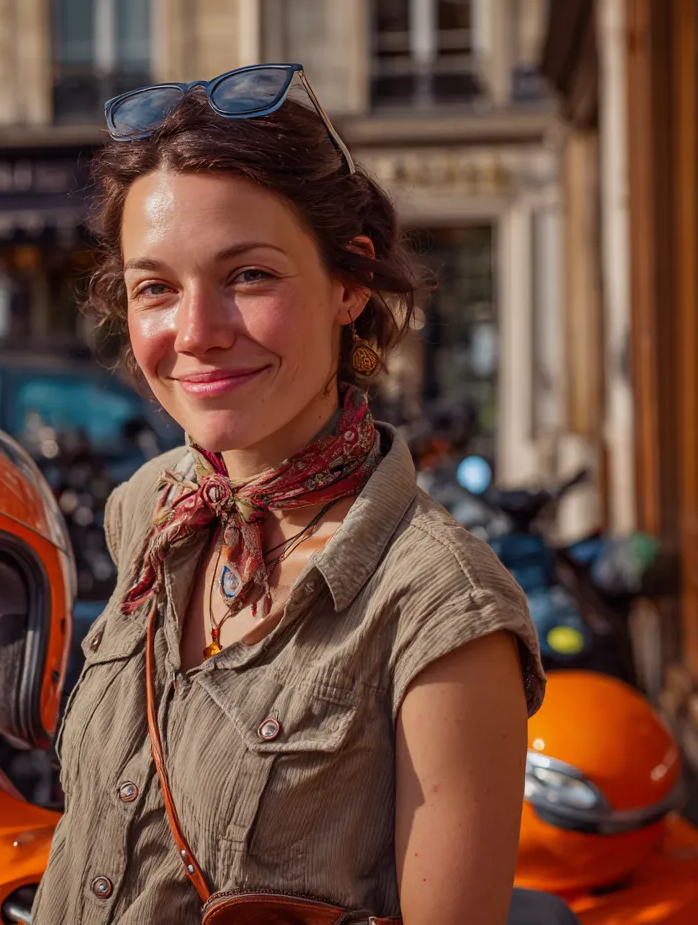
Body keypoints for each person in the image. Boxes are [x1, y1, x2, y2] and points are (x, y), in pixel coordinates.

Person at [33, 65, 545, 925]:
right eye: (156, 287)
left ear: (350, 284)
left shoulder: (438, 611)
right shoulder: (149, 506)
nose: (196, 333)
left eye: (249, 275)